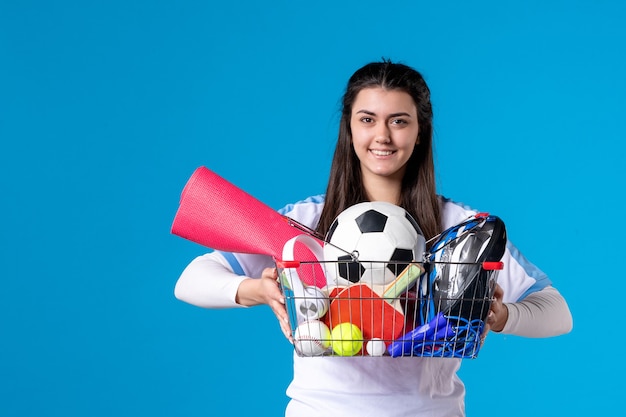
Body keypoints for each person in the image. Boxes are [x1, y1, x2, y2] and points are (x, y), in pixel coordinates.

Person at [173, 60, 573, 416]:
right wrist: (255, 290)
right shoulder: (306, 222)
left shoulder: (461, 227)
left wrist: (500, 315)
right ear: (349, 127)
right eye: (367, 119)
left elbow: (558, 312)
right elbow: (190, 280)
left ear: (420, 132)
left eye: (399, 120)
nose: (382, 135)